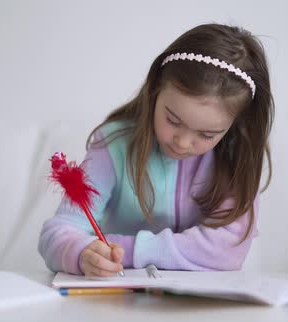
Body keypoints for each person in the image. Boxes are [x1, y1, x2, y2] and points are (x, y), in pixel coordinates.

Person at [38, 23, 274, 277]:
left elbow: (227, 250)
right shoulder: (113, 144)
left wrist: (126, 249)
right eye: (172, 120)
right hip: (116, 301)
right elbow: (58, 231)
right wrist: (83, 253)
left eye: (207, 135)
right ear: (155, 90)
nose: (182, 143)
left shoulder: (236, 159)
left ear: (234, 125)